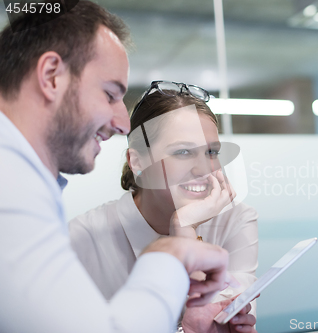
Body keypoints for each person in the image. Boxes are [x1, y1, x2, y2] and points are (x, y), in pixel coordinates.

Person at [0, 2, 255, 332]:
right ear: (51, 76)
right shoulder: (10, 185)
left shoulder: (24, 184)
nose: (123, 123)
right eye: (109, 94)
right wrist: (171, 253)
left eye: (210, 151)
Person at [68, 82, 259, 323]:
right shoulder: (83, 239)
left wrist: (186, 230)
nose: (204, 169)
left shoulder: (236, 219)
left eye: (211, 153)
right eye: (183, 152)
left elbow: (223, 324)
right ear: (137, 162)